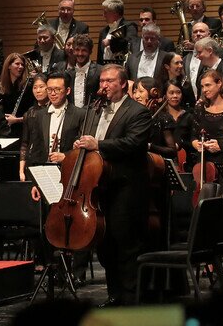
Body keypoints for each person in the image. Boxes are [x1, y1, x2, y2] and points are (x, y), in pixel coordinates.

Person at [77, 64, 152, 306]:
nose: (104, 85)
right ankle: (114, 295)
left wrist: (98, 144)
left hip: (126, 188)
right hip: (100, 188)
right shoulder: (96, 110)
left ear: (123, 84)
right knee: (106, 245)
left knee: (126, 246)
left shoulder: (138, 111)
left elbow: (133, 143)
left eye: (109, 81)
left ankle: (131, 300)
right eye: (101, 81)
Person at [52, 34, 101, 109]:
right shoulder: (67, 73)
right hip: (72, 116)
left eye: (84, 50)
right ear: (73, 51)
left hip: (92, 115)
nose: (80, 54)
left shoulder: (99, 71)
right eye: (77, 50)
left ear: (90, 51)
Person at [98, 0, 137, 64]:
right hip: (105, 67)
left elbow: (130, 42)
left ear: (115, 13)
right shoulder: (103, 31)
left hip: (122, 67)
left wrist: (111, 42)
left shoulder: (129, 27)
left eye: (106, 12)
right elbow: (99, 56)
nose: (103, 15)